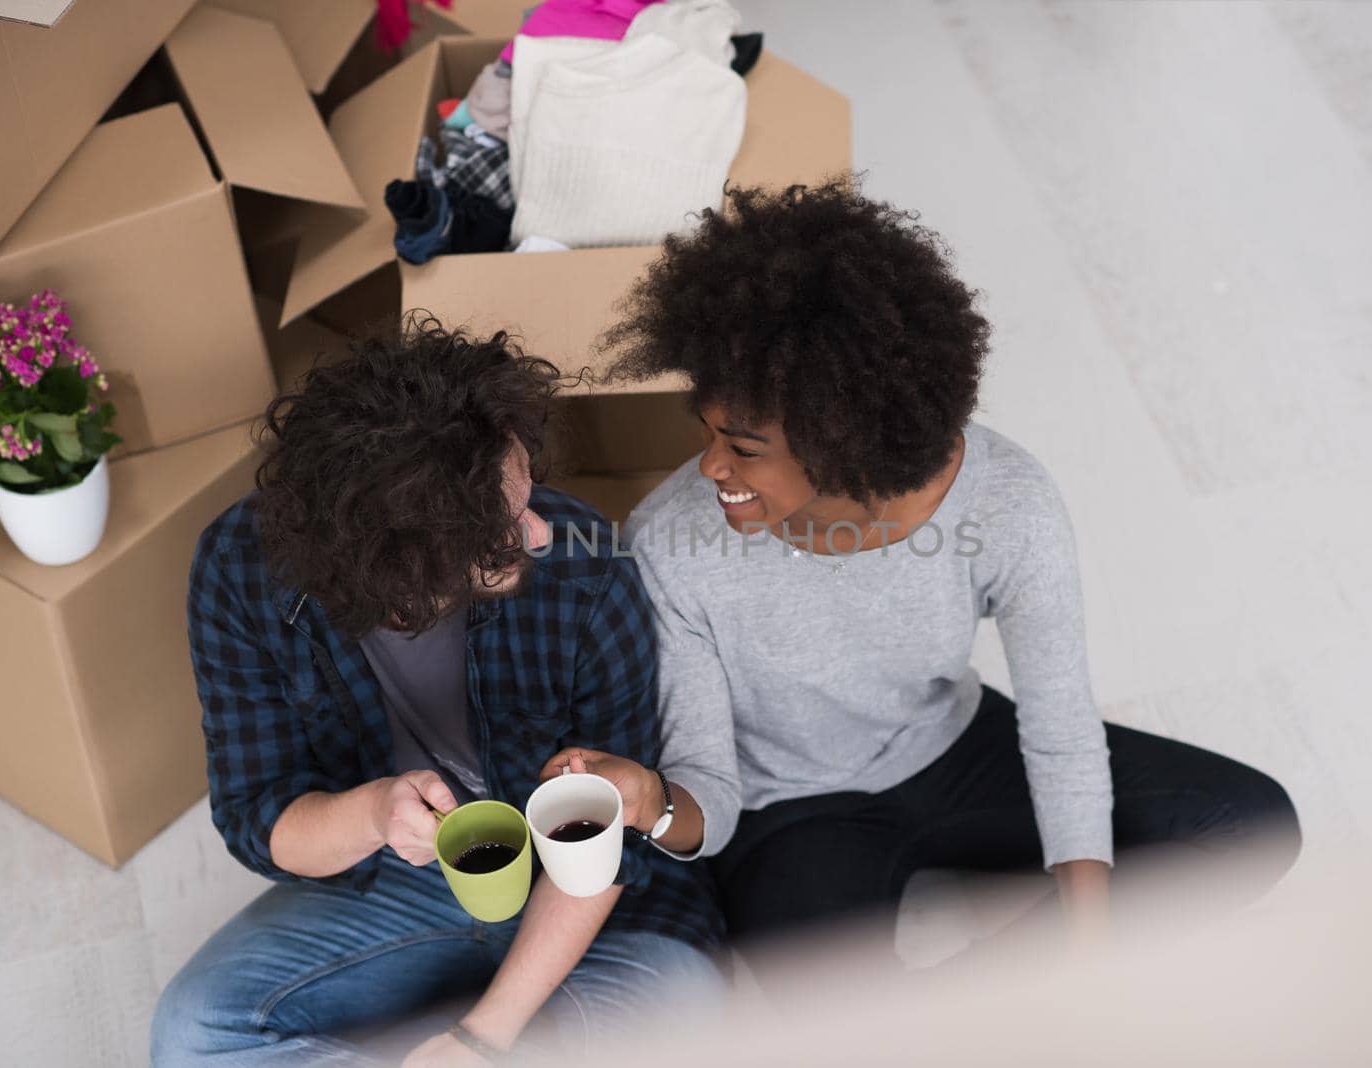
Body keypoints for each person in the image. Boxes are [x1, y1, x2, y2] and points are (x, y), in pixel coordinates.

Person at [539, 179, 1302, 981]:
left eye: (744, 446)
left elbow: (1062, 734)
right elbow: (713, 795)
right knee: (820, 1006)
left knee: (1251, 823)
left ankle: (952, 1010)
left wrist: (1084, 943)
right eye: (708, 432)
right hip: (792, 811)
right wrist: (653, 802)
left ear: (842, 439)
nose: (711, 467)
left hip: (955, 748)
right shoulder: (672, 539)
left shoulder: (1008, 503)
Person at [152, 316, 724, 1067]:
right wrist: (373, 813)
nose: (543, 534)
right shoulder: (240, 567)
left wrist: (479, 1037)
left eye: (527, 494)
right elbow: (259, 815)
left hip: (585, 904)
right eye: (505, 530)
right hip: (405, 880)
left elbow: (611, 848)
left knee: (689, 1012)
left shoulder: (586, 570)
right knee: (193, 1034)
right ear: (402, 571)